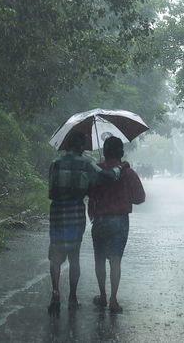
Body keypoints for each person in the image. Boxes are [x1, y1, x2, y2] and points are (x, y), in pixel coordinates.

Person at [48, 132, 128, 314]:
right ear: (81, 146)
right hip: (75, 210)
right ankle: (72, 297)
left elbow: (51, 191)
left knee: (56, 253)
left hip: (57, 211)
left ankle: (55, 291)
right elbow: (107, 176)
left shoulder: (55, 163)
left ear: (67, 146)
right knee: (73, 254)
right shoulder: (86, 163)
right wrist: (121, 167)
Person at [88, 136, 145, 314]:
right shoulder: (128, 173)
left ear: (104, 151)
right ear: (121, 152)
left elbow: (89, 192)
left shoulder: (97, 170)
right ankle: (113, 299)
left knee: (99, 260)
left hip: (100, 220)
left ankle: (102, 295)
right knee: (115, 260)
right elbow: (140, 198)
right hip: (119, 221)